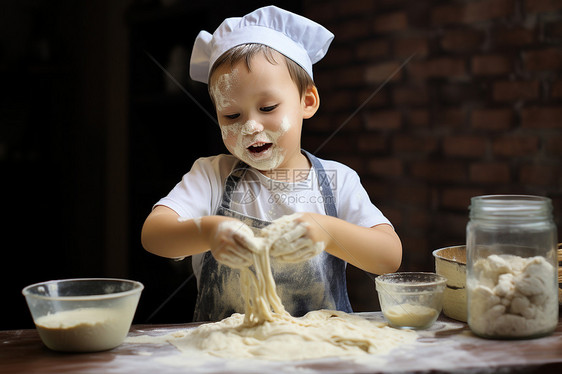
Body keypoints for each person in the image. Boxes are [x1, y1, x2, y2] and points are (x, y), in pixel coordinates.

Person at [141, 6, 402, 322]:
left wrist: (328, 233)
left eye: (267, 107)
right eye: (232, 116)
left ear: (307, 102)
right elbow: (153, 235)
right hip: (226, 355)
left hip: (319, 353)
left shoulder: (337, 181)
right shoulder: (211, 176)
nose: (250, 127)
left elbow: (389, 257)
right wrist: (209, 232)